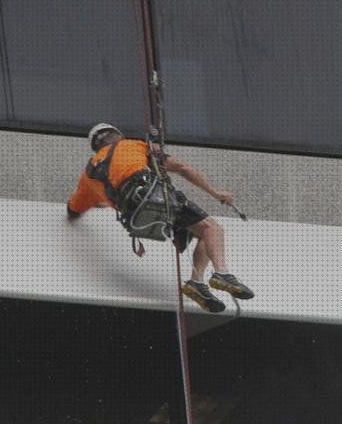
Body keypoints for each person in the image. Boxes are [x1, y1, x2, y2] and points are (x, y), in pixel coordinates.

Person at [66, 123, 254, 313]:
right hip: (157, 199)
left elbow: (73, 209)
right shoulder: (135, 145)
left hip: (134, 214)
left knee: (205, 233)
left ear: (96, 146)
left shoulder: (88, 173)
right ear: (117, 135)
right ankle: (222, 273)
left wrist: (100, 201)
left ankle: (196, 283)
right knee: (212, 229)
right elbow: (182, 168)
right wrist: (215, 193)